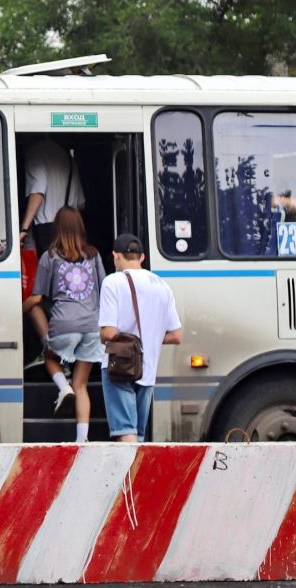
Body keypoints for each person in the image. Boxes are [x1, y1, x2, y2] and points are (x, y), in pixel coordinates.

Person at [97, 233, 183, 443]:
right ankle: (133, 474)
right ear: (142, 257)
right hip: (147, 369)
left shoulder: (112, 282)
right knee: (138, 434)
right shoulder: (162, 285)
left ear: (116, 256)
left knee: (126, 431)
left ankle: (130, 476)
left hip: (119, 366)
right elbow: (176, 335)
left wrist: (118, 338)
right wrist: (149, 337)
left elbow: (108, 333)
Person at [32, 206, 105, 443]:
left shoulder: (49, 257)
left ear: (57, 228)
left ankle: (63, 387)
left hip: (63, 326)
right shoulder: (94, 255)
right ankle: (81, 441)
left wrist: (19, 310)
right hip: (92, 327)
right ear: (81, 228)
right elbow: (104, 288)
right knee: (81, 384)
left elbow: (38, 297)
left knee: (50, 357)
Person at [18, 139, 85, 346]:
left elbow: (38, 192)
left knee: (35, 295)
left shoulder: (36, 152)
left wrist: (24, 228)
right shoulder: (67, 158)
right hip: (68, 231)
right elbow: (81, 203)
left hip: (44, 232)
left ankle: (52, 348)